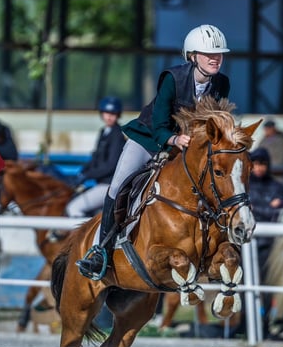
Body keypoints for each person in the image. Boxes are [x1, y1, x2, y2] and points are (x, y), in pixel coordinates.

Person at [76, 24, 231, 279]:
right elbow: (159, 123)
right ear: (192, 56)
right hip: (150, 139)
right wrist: (173, 139)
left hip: (188, 147)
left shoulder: (221, 83)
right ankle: (100, 251)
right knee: (117, 186)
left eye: (219, 54)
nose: (215, 59)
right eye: (208, 54)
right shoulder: (173, 78)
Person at [64, 96, 127, 218]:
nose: (109, 117)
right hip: (99, 183)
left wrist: (88, 175)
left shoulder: (117, 135)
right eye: (107, 113)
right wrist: (82, 172)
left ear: (118, 115)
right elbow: (95, 158)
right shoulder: (103, 132)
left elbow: (110, 165)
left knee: (74, 208)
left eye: (113, 114)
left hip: (108, 185)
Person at [246, 147, 283, 336]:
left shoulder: (276, 186)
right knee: (244, 286)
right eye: (256, 163)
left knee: (267, 286)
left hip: (269, 244)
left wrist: (256, 208)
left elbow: (279, 213)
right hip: (245, 243)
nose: (259, 168)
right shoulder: (243, 183)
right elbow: (247, 211)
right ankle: (245, 324)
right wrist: (267, 208)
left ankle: (265, 324)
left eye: (263, 164)